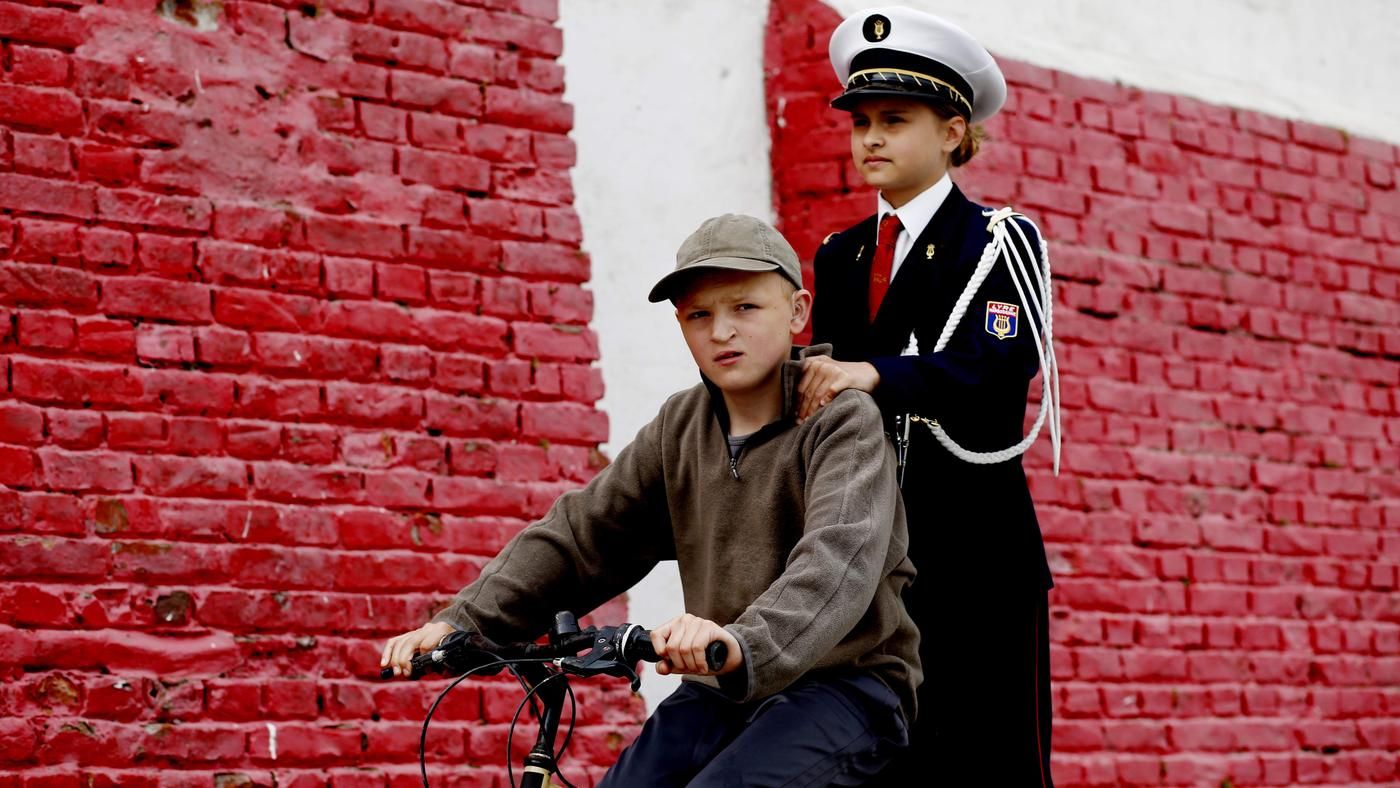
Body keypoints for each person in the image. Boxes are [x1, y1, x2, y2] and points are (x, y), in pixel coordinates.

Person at [382, 214, 919, 786]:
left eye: (745, 307)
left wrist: (741, 641)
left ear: (797, 312)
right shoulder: (679, 427)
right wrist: (462, 622)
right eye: (698, 315)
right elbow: (584, 536)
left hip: (843, 685)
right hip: (721, 688)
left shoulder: (842, 420)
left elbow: (838, 559)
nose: (721, 331)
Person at [797, 8, 1061, 786]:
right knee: (886, 764)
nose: (870, 139)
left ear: (952, 133)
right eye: (861, 122)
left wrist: (877, 375)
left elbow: (997, 369)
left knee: (994, 766)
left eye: (895, 121)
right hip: (873, 550)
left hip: (976, 552)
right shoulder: (841, 254)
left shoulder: (1000, 241)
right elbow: (824, 387)